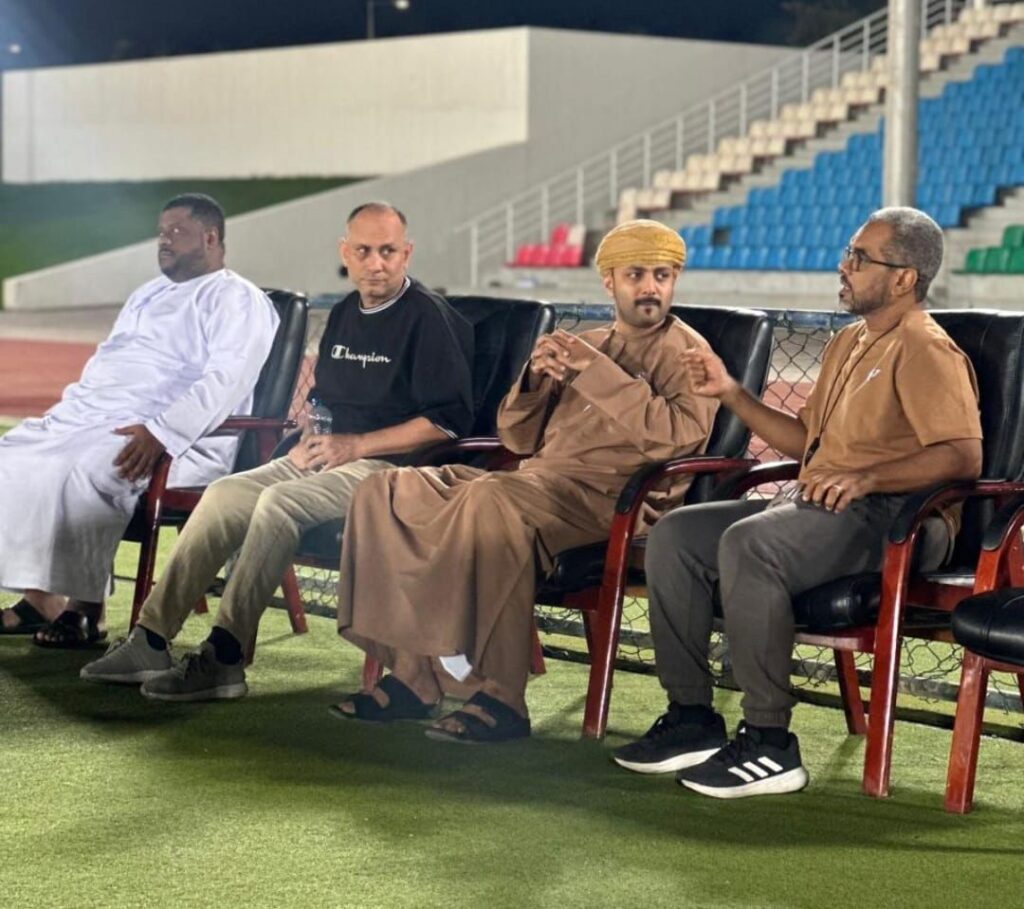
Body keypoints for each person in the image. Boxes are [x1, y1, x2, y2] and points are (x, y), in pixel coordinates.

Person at [614, 207, 983, 798]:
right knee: (677, 535)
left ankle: (769, 741)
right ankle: (691, 716)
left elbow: (962, 456)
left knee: (751, 543)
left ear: (903, 279)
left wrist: (867, 476)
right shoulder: (849, 342)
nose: (844, 266)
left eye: (860, 258)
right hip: (827, 505)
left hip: (900, 519)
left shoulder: (924, 347)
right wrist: (730, 392)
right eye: (848, 252)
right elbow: (805, 442)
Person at [331, 219, 719, 744]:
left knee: (493, 496)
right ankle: (412, 676)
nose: (650, 287)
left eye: (662, 275)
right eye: (636, 275)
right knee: (386, 490)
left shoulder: (689, 354)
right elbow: (516, 436)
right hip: (536, 482)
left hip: (609, 502)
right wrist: (535, 379)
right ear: (609, 281)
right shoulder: (586, 343)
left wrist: (595, 373)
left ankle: (502, 698)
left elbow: (676, 438)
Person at [81, 202, 474, 701]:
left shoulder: (429, 318)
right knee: (224, 495)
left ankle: (224, 657)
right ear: (345, 253)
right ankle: (151, 639)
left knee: (278, 504)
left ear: (407, 253)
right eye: (364, 251)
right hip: (326, 457)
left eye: (388, 252)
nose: (376, 264)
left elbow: (446, 422)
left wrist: (356, 445)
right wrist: (313, 424)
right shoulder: (346, 313)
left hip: (391, 471)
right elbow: (325, 396)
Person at [0, 194, 279, 648]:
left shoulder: (236, 298)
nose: (164, 241)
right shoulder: (147, 294)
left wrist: (162, 432)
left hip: (183, 439)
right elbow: (107, 365)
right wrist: (71, 415)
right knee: (14, 456)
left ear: (211, 238)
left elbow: (225, 380)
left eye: (177, 232)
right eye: (162, 232)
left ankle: (86, 611)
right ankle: (41, 600)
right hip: (101, 420)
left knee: (89, 468)